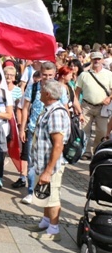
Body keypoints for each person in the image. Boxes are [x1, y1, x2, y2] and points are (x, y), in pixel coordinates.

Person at [19, 61, 69, 204]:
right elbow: (25, 107)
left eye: (50, 75)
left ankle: (43, 190)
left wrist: (66, 128)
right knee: (31, 160)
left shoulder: (59, 89)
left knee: (47, 160)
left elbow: (64, 107)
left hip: (51, 130)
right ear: (40, 74)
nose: (47, 77)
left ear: (55, 74)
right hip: (34, 128)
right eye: (44, 75)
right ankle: (31, 191)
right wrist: (22, 128)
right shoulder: (34, 87)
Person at [26, 80, 70, 241]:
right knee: (45, 195)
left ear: (48, 94)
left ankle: (54, 230)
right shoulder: (48, 110)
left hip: (51, 166)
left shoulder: (56, 113)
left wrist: (48, 171)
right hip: (42, 163)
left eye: (42, 90)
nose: (40, 93)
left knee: (52, 198)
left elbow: (58, 145)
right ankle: (45, 223)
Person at [74, 51, 112, 159]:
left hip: (103, 107)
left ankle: (97, 151)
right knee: (84, 130)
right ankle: (86, 152)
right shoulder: (84, 75)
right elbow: (76, 92)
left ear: (102, 60)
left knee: (102, 131)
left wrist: (109, 98)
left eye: (99, 59)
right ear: (91, 60)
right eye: (94, 59)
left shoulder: (109, 74)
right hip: (86, 106)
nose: (97, 61)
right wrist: (76, 106)